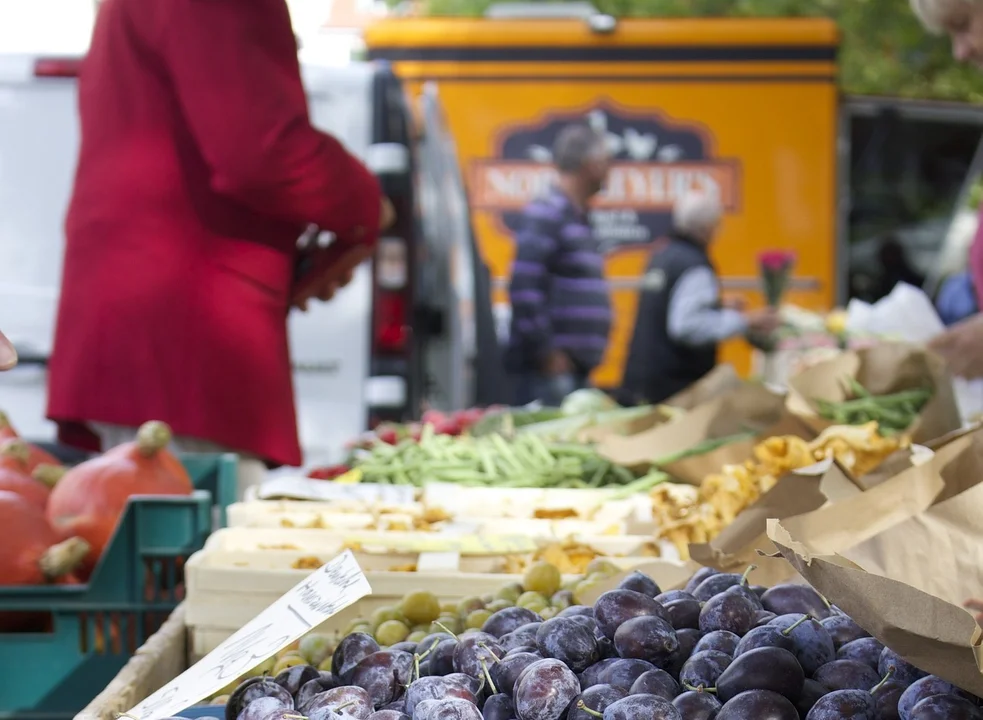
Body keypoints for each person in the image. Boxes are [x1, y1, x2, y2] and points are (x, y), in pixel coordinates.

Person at [45, 0, 390, 479]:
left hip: (155, 332)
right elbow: (260, 153)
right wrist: (366, 203)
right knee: (214, 545)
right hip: (182, 343)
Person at [620, 192, 782, 405]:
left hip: (641, 384)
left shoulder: (662, 255)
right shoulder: (694, 265)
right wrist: (746, 321)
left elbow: (668, 307)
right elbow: (687, 326)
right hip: (673, 391)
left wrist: (717, 304)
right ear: (707, 227)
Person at [505, 123, 613, 406]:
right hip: (550, 374)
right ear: (589, 165)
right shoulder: (547, 212)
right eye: (606, 161)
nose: (609, 170)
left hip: (571, 371)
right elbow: (523, 287)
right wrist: (547, 352)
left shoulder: (575, 215)